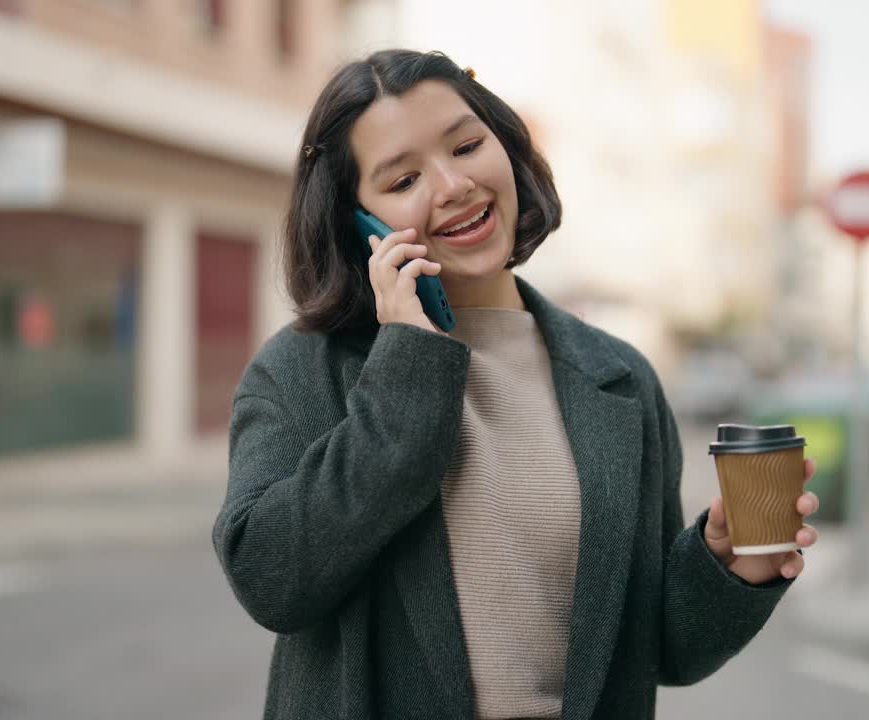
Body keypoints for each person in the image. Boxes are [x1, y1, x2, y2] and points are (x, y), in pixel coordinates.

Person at [212, 49, 821, 720]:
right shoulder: (300, 371)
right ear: (357, 223)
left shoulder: (618, 379)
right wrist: (408, 363)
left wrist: (725, 566)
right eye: (403, 177)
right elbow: (272, 581)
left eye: (467, 145)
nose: (452, 185)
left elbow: (657, 650)